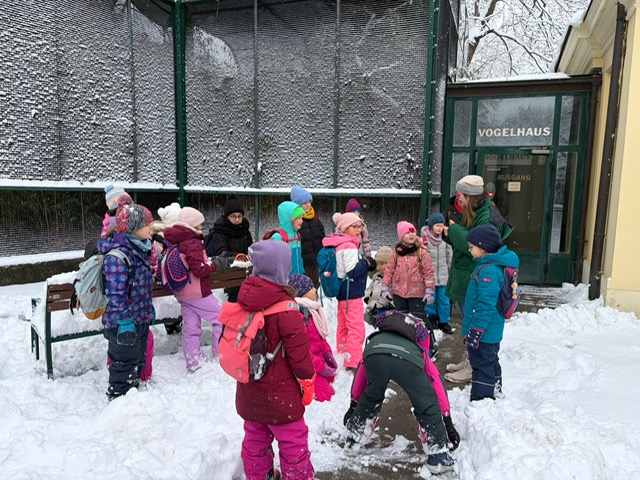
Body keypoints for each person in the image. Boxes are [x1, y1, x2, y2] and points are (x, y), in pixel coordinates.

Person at [235, 241, 317, 480]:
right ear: (282, 268)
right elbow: (300, 357)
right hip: (282, 398)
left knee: (255, 441)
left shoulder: (245, 301)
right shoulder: (287, 311)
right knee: (293, 442)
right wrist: (307, 382)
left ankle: (259, 476)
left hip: (250, 391)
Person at [343, 310, 458, 475]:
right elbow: (436, 383)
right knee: (426, 402)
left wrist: (354, 405)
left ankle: (353, 439)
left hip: (376, 356)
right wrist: (447, 421)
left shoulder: (378, 339)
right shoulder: (420, 339)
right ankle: (438, 456)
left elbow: (361, 377)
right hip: (408, 362)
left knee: (371, 396)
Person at [443, 175, 512, 383]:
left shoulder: (487, 216)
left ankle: (473, 367)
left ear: (470, 196)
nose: (458, 199)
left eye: (461, 195)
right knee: (468, 322)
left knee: (474, 323)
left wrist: (454, 230)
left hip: (474, 277)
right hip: (468, 275)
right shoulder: (477, 210)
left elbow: (476, 244)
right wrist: (451, 232)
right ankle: (469, 360)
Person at [99, 199, 155, 400]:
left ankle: (132, 398)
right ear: (134, 228)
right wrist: (124, 322)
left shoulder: (139, 249)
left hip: (139, 318)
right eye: (147, 225)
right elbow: (116, 294)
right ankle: (119, 401)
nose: (151, 228)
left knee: (137, 359)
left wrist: (147, 310)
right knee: (124, 364)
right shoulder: (117, 256)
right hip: (123, 323)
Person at [163, 207, 229, 372]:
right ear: (192, 225)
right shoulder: (192, 242)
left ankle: (194, 360)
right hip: (197, 291)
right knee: (221, 318)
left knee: (191, 327)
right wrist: (216, 265)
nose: (202, 226)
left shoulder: (178, 239)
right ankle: (220, 356)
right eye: (200, 224)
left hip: (183, 291)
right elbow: (199, 270)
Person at [463, 224, 519, 401]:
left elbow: (485, 305)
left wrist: (476, 331)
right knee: (490, 361)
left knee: (482, 366)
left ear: (483, 247)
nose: (469, 249)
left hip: (484, 332)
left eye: (471, 246)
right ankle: (495, 390)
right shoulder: (492, 266)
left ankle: (482, 400)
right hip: (491, 331)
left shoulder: (489, 271)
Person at [322, 212, 376, 370]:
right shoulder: (349, 246)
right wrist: (367, 262)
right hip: (351, 293)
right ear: (345, 228)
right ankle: (353, 361)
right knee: (356, 328)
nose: (358, 230)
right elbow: (352, 271)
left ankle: (343, 353)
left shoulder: (339, 243)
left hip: (343, 292)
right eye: (354, 227)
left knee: (344, 326)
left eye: (360, 226)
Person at [288, 273, 337, 402]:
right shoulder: (298, 316)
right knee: (325, 396)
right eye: (311, 287)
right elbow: (303, 352)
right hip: (308, 366)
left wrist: (327, 354)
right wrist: (321, 367)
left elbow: (320, 338)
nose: (315, 289)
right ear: (302, 293)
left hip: (317, 360)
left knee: (332, 379)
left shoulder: (311, 311)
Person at [204, 195, 253, 302]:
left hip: (244, 268)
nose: (237, 219)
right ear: (227, 217)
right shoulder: (220, 230)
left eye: (239, 216)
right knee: (236, 292)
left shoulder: (244, 229)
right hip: (228, 268)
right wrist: (238, 257)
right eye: (233, 216)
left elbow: (250, 246)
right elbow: (221, 252)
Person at [421, 213, 453, 334]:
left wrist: (450, 275)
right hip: (430, 278)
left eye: (442, 225)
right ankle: (431, 318)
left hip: (443, 277)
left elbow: (450, 259)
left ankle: (444, 321)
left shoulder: (445, 242)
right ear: (431, 226)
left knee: (444, 300)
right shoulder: (424, 241)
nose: (440, 228)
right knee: (431, 300)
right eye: (437, 225)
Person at [155, 202, 183, 335]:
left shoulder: (159, 237)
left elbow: (156, 256)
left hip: (165, 278)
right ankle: (175, 322)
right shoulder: (184, 235)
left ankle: (170, 323)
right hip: (181, 276)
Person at [290, 186, 325, 289]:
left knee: (315, 285)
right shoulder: (296, 220)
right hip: (304, 261)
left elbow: (321, 235)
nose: (308, 205)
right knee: (305, 287)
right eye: (304, 203)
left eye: (309, 201)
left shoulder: (315, 217)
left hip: (317, 259)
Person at [268, 201, 305, 275]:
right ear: (289, 219)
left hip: (298, 276)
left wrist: (302, 272)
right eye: (298, 218)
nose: (302, 221)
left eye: (302, 218)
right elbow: (273, 262)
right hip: (285, 278)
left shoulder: (296, 235)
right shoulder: (278, 237)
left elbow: (299, 259)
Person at [363, 246, 394, 326]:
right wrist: (367, 297)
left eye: (382, 264)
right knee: (365, 322)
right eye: (378, 264)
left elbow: (398, 293)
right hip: (373, 307)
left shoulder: (394, 278)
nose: (379, 266)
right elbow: (370, 288)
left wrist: (391, 305)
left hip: (386, 310)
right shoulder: (376, 276)